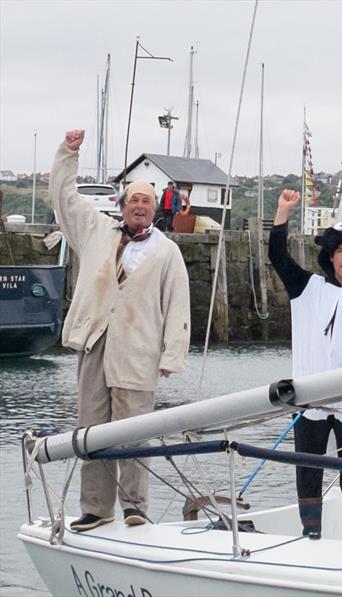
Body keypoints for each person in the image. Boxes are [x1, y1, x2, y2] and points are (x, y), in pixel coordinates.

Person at [51, 130, 191, 531]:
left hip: (139, 351)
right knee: (91, 428)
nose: (140, 207)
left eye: (147, 201)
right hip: (95, 343)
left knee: (134, 432)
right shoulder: (96, 231)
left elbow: (178, 307)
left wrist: (171, 356)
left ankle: (135, 505)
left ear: (154, 209)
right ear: (123, 205)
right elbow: (65, 199)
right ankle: (96, 507)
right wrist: (67, 155)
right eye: (134, 200)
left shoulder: (167, 252)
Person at [268, 189, 342, 541]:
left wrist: (340, 382)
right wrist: (282, 213)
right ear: (330, 258)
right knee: (309, 468)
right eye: (339, 252)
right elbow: (277, 256)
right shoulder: (307, 288)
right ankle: (311, 534)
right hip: (309, 401)